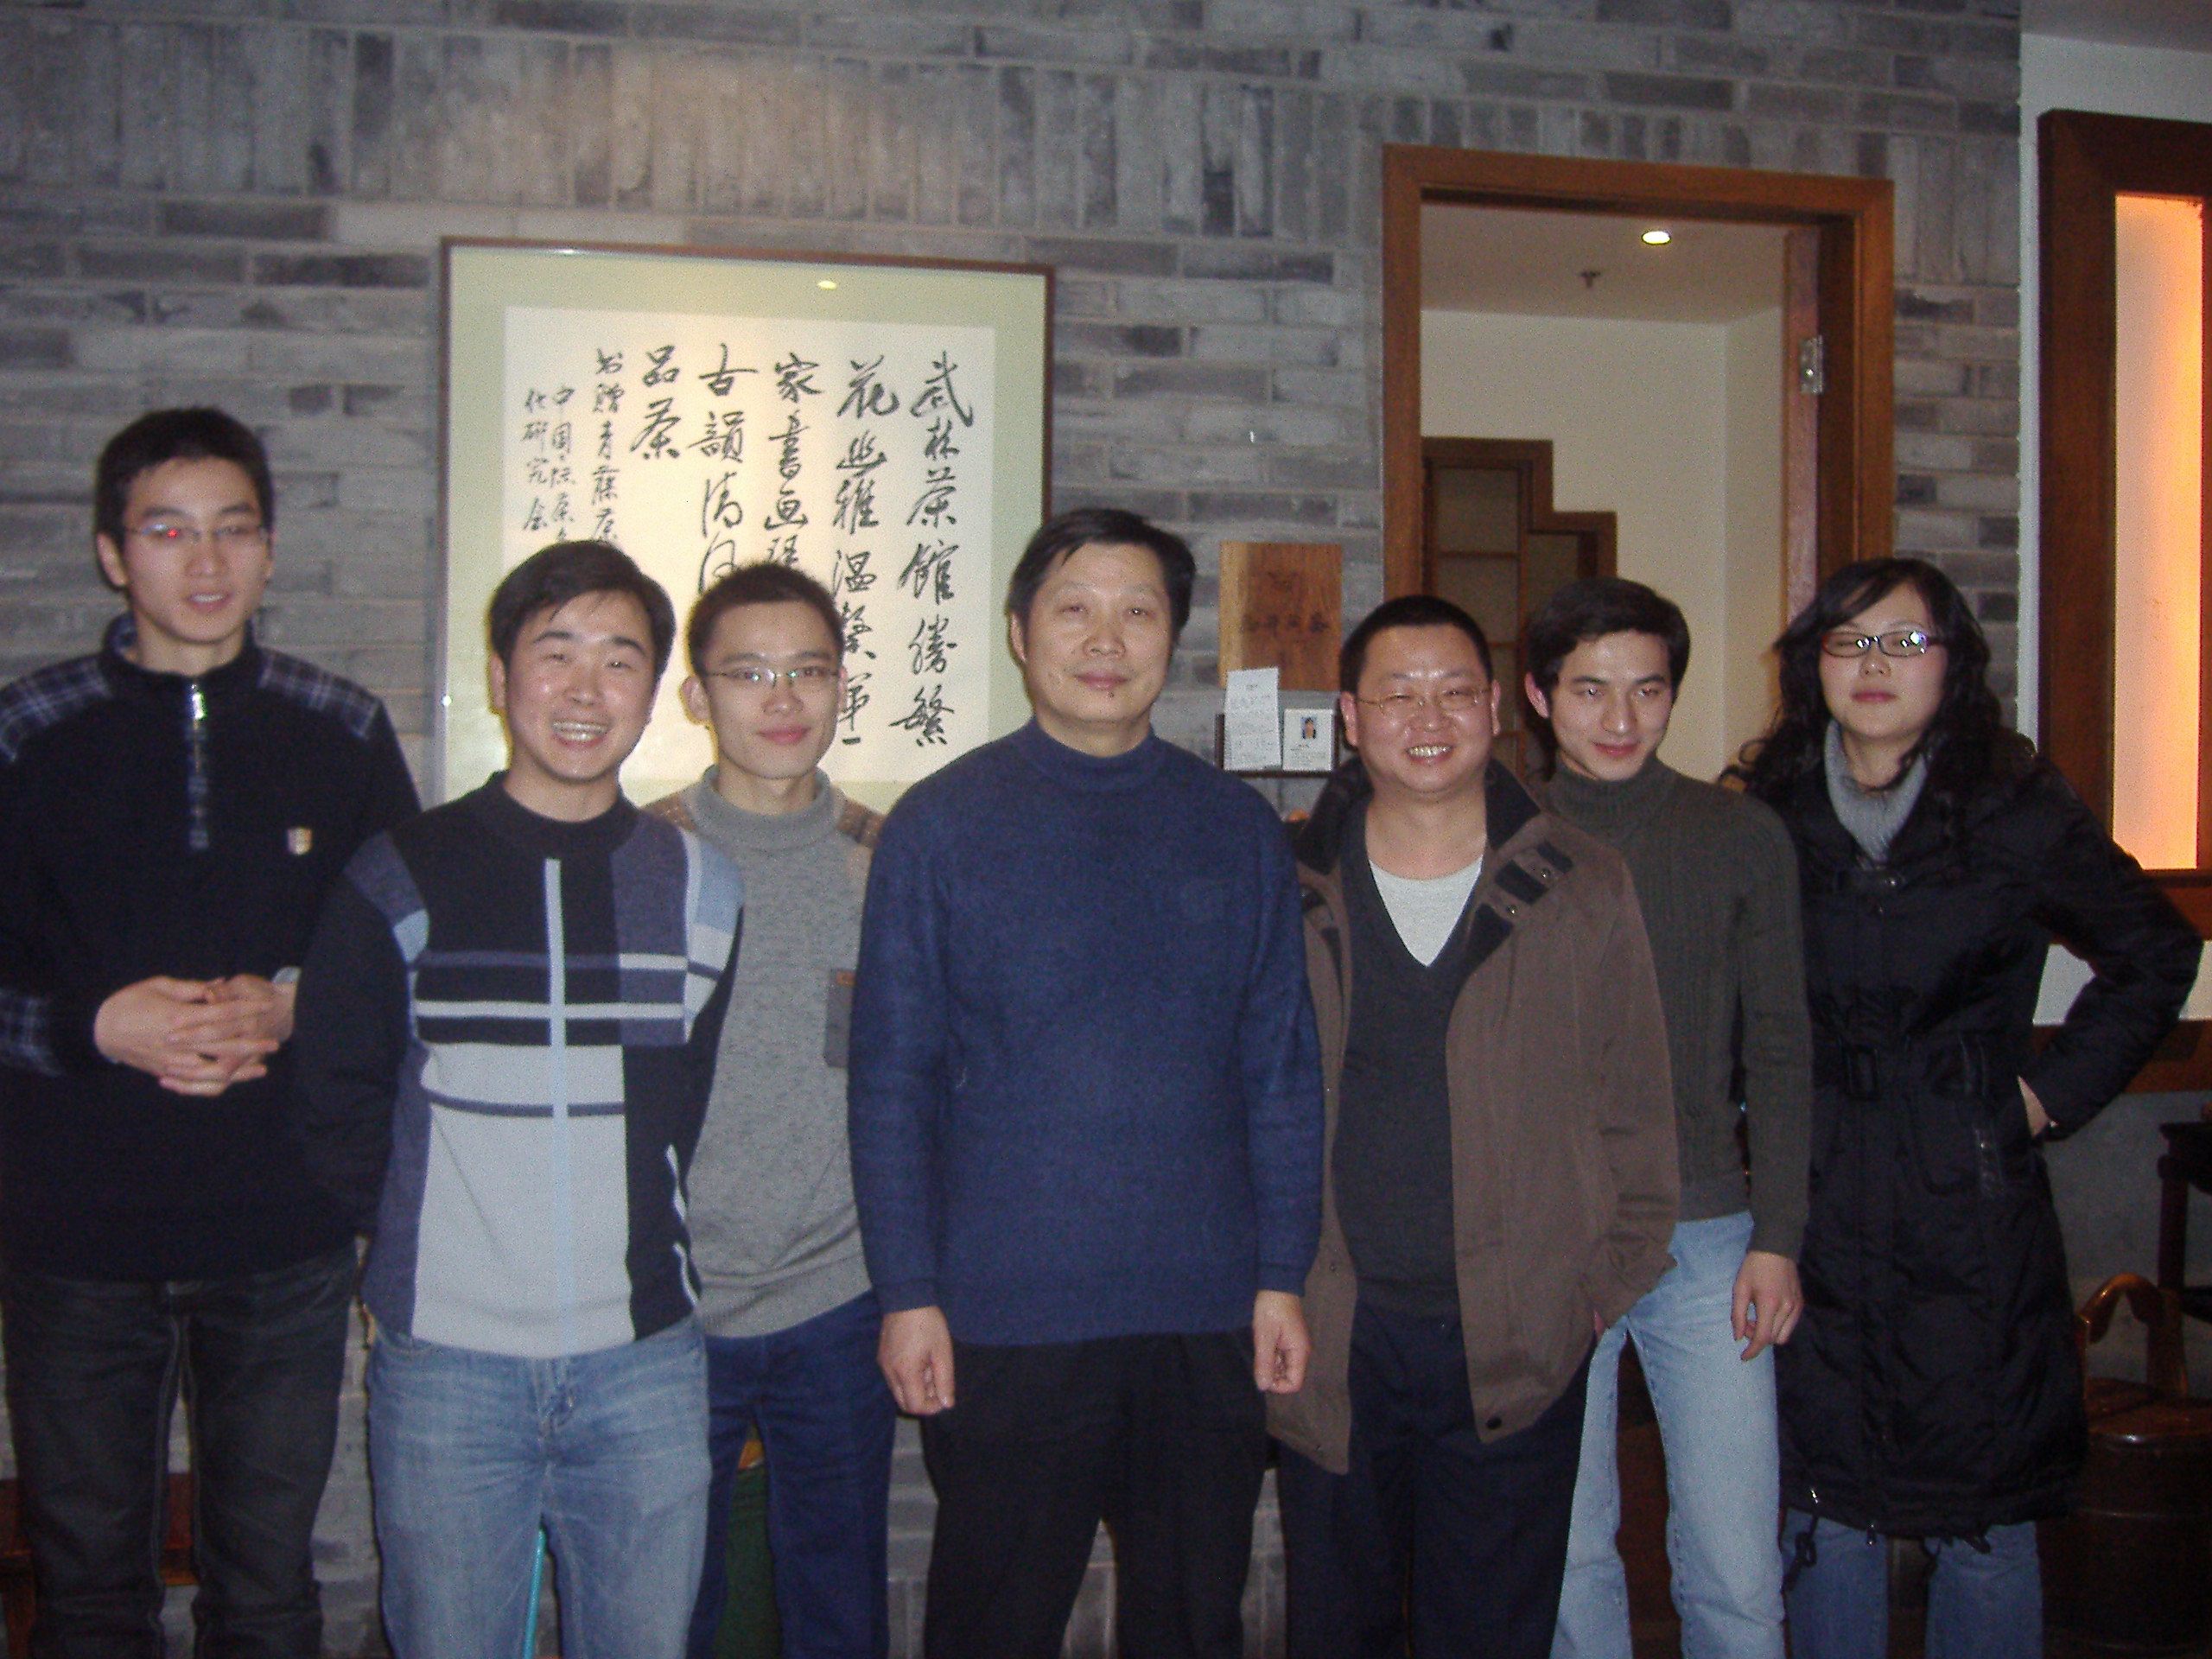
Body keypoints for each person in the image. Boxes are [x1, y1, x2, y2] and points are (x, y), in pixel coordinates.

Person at [847, 506, 1324, 1659]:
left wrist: (1280, 1275)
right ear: (1021, 634)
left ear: (1172, 638)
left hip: (1203, 1312)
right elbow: (893, 1079)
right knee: (992, 1624)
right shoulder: (938, 827)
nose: (1105, 639)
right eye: (1074, 609)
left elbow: (1279, 1067)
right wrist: (908, 1291)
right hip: (1006, 1314)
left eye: (1137, 611)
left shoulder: (1237, 830)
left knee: (1192, 1623)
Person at [0, 406, 419, 1656]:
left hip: (280, 1230)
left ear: (271, 550)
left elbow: (406, 962)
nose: (205, 561)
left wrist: (299, 1003)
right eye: (168, 530)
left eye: (234, 530)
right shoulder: (27, 731)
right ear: (111, 552)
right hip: (72, 1237)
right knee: (87, 1594)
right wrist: (96, 1024)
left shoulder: (340, 728)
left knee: (267, 1591)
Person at [1732, 556, 2198, 1659]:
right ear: (1811, 664)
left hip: (1968, 1203)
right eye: (1849, 641)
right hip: (1813, 1192)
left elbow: (2154, 951)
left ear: (1952, 663)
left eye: (1905, 641)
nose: (1874, 664)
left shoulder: (2012, 806)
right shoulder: (1769, 811)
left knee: (1983, 1516)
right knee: (1823, 1510)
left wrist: (2040, 1100)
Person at [291, 540, 743, 1659]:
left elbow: (680, 1109)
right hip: (449, 1367)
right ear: (500, 677)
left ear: (654, 690)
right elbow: (336, 1101)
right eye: (556, 653)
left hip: (643, 1362)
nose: (586, 690)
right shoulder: (397, 874)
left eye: (620, 660)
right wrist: (427, 1243)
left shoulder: (699, 884)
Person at [1269, 593, 1679, 1659]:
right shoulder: (1285, 885)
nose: (1428, 717)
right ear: (1350, 718)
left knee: (1492, 1630)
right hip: (1333, 1329)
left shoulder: (1580, 882)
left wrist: (1598, 1289)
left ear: (1496, 708)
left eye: (1454, 691)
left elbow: (1636, 1104)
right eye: (1396, 694)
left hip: (1516, 1336)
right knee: (1335, 1628)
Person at [1522, 578, 1810, 1659]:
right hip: (1551, 1242)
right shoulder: (1498, 833)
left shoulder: (1739, 835)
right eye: (1589, 690)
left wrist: (1779, 1237)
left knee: (1737, 1564)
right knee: (1563, 1552)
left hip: (1711, 1235)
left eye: (1646, 690)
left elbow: (1780, 1046)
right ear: (1539, 695)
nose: (1620, 717)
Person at [646, 563, 895, 1659]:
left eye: (809, 671)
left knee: (838, 1600)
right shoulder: (641, 858)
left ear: (842, 685)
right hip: (667, 1303)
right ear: (696, 696)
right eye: (748, 674)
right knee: (667, 1605)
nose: (783, 698)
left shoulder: (889, 861)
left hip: (839, 1295)